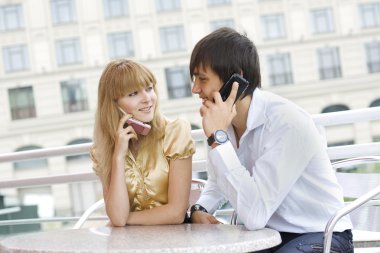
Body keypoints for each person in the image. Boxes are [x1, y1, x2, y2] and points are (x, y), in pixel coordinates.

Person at [189, 27, 353, 253]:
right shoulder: (221, 124)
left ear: (236, 77)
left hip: (321, 234)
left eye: (202, 78)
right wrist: (199, 209)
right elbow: (218, 183)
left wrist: (218, 140)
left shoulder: (286, 122)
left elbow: (254, 215)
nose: (195, 88)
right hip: (267, 236)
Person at [91, 59, 195, 226]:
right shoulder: (103, 150)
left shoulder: (175, 131)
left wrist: (125, 219)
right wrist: (118, 157)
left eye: (149, 88)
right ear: (113, 104)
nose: (147, 99)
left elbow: (176, 213)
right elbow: (117, 218)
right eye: (133, 94)